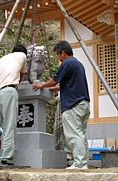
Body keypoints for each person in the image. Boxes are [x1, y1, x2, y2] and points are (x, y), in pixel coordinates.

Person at [33, 40, 90, 169]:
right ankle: (83, 161)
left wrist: (42, 85)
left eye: (58, 55)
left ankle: (79, 163)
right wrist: (56, 88)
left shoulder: (67, 63)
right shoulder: (78, 64)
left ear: (63, 53)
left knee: (73, 134)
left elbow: (54, 80)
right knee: (81, 133)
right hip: (83, 103)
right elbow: (66, 84)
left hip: (72, 104)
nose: (58, 58)